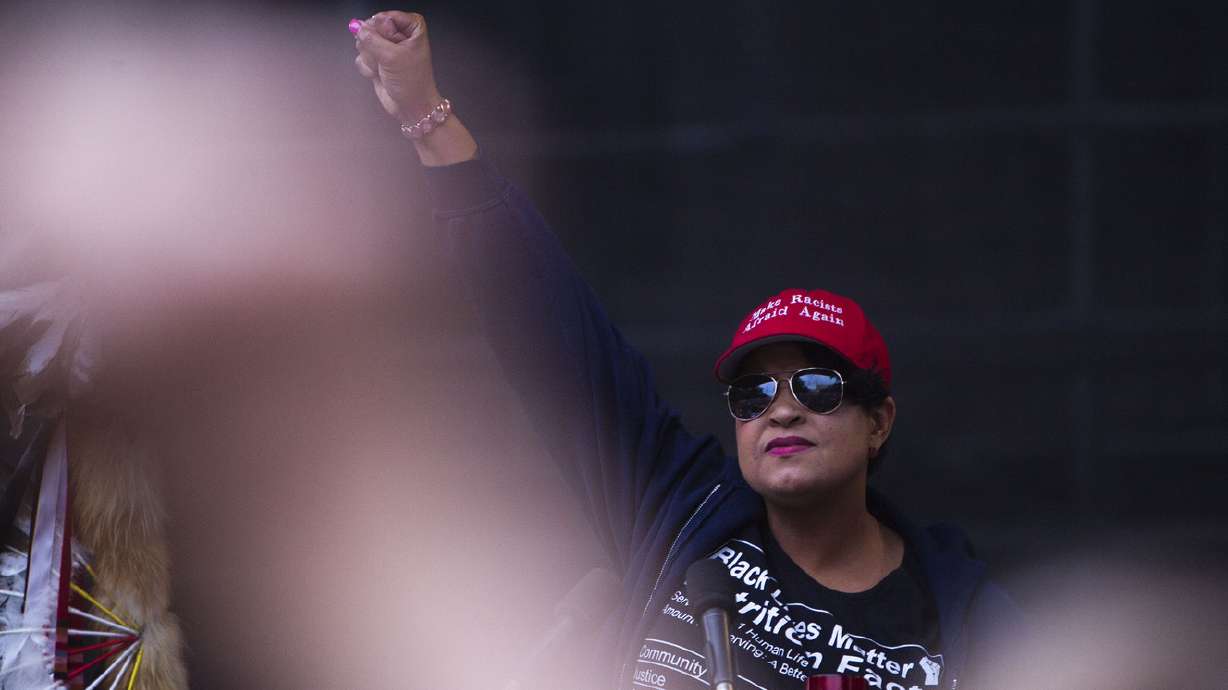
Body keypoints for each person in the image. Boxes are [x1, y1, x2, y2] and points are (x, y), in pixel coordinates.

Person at [353, 12, 1022, 689]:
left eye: (817, 387)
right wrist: (427, 117)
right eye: (753, 394)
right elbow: (546, 326)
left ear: (878, 421)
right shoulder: (679, 509)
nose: (781, 413)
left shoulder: (965, 625)